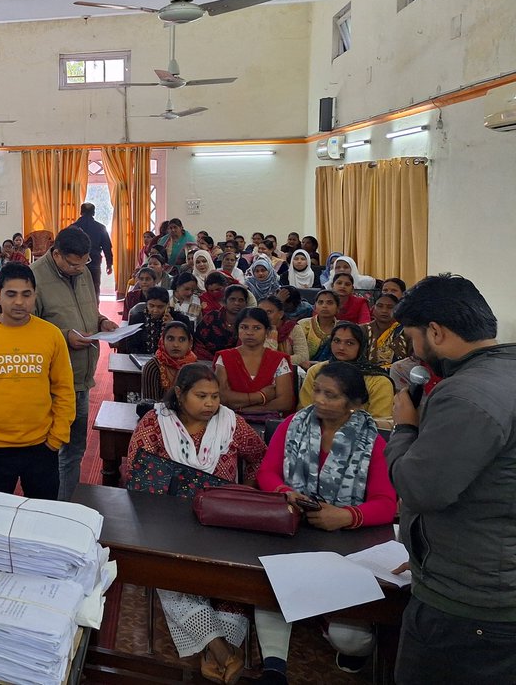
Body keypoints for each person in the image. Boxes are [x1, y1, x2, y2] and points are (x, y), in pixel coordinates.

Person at [381, 275, 516, 684]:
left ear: (436, 332)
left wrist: (404, 426)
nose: (414, 351)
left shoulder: (463, 394)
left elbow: (421, 489)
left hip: (467, 607)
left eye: (413, 339)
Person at [255, 362, 398, 682]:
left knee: (353, 640)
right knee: (269, 591)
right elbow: (267, 473)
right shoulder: (293, 424)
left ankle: (327, 622)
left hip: (346, 541)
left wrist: (345, 516)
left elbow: (386, 505)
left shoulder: (372, 442)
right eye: (316, 390)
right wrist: (286, 493)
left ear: (354, 403)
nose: (318, 399)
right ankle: (275, 666)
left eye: (330, 395)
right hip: (294, 530)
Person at [126, 363, 266, 681]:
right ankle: (222, 652)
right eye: (201, 396)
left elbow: (260, 456)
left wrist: (250, 491)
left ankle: (215, 653)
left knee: (233, 583)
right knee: (171, 575)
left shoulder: (231, 424)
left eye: (215, 396)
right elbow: (136, 472)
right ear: (179, 394)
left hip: (223, 521)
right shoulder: (154, 424)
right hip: (168, 523)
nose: (210, 404)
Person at [0, 263, 74, 500]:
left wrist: (56, 438)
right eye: (11, 294)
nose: (19, 302)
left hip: (42, 445)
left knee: (42, 517)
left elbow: (64, 390)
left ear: (35, 296)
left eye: (26, 294)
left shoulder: (51, 335)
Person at [32, 226, 118, 500]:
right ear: (55, 254)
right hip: (48, 380)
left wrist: (101, 321)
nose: (79, 268)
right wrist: (64, 337)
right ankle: (44, 504)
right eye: (72, 263)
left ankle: (65, 503)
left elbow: (88, 309)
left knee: (74, 448)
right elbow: (26, 328)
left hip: (80, 375)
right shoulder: (34, 277)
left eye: (84, 262)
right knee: (47, 447)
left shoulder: (81, 272)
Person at [299, 322, 393, 419]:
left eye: (350, 343)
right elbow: (304, 410)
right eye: (336, 341)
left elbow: (380, 423)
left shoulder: (378, 381)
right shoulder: (316, 370)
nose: (341, 347)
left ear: (362, 346)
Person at [214, 307, 295, 413]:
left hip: (268, 423)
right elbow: (222, 397)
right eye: (244, 327)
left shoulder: (278, 360)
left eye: (257, 328)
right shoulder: (225, 358)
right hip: (229, 420)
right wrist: (261, 396)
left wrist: (246, 409)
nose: (250, 332)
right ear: (237, 330)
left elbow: (285, 402)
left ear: (267, 331)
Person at [139, 320, 198, 402]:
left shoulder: (195, 367)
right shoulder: (153, 366)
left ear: (190, 343)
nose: (176, 345)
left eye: (182, 339)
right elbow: (150, 404)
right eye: (170, 339)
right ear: (162, 341)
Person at [124, 287, 190, 355]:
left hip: (171, 360)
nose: (155, 310)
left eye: (160, 307)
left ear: (167, 306)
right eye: (151, 306)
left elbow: (187, 346)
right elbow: (130, 346)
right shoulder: (137, 319)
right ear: (146, 304)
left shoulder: (181, 320)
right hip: (142, 359)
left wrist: (173, 326)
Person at [193, 284, 249, 361]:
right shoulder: (211, 318)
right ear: (225, 301)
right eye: (232, 299)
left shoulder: (249, 323)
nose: (237, 303)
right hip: (206, 362)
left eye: (241, 300)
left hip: (236, 364)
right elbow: (198, 343)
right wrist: (216, 362)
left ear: (246, 303)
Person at [70, 203, 114, 298]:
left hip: (75, 263)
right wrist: (109, 264)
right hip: (94, 262)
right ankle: (94, 310)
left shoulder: (73, 228)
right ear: (94, 213)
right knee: (94, 288)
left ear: (81, 212)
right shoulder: (101, 228)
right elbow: (107, 248)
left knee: (75, 288)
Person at [257, 295, 309, 369]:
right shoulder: (253, 330)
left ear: (280, 314)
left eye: (269, 312)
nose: (264, 316)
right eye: (260, 312)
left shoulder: (292, 328)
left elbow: (303, 357)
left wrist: (275, 360)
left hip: (288, 372)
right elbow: (261, 359)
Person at [295, 289, 341, 368]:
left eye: (330, 303)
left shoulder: (342, 328)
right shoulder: (303, 325)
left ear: (337, 308)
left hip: (335, 370)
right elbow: (297, 356)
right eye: (320, 302)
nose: (324, 306)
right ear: (315, 306)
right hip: (304, 370)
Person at [364, 292, 409, 369]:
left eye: (390, 307)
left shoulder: (406, 331)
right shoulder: (363, 330)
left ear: (397, 309)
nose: (384, 310)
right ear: (373, 308)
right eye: (380, 306)